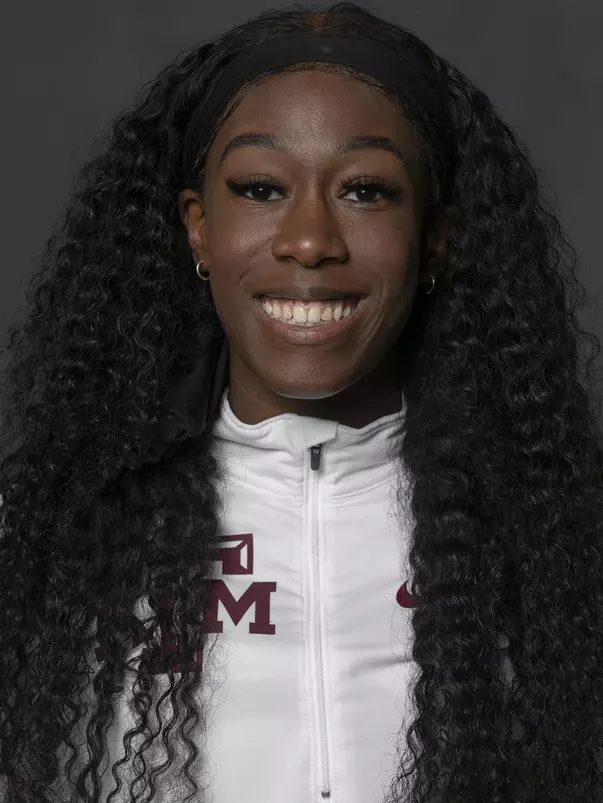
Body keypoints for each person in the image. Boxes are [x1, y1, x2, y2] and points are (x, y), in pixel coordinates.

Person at [1, 2, 602, 802]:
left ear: (434, 239)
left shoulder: (564, 529)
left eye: (364, 190)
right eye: (259, 187)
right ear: (197, 230)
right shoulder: (47, 527)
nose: (310, 239)